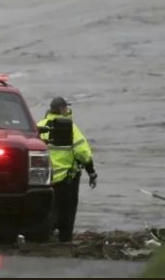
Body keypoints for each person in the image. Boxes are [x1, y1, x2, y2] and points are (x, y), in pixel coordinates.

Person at [36, 97, 97, 243]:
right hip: (67, 180)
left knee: (45, 211)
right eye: (66, 108)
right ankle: (65, 239)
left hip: (43, 179)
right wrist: (91, 172)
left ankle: (43, 237)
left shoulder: (39, 126)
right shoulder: (71, 128)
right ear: (62, 109)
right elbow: (83, 153)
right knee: (67, 212)